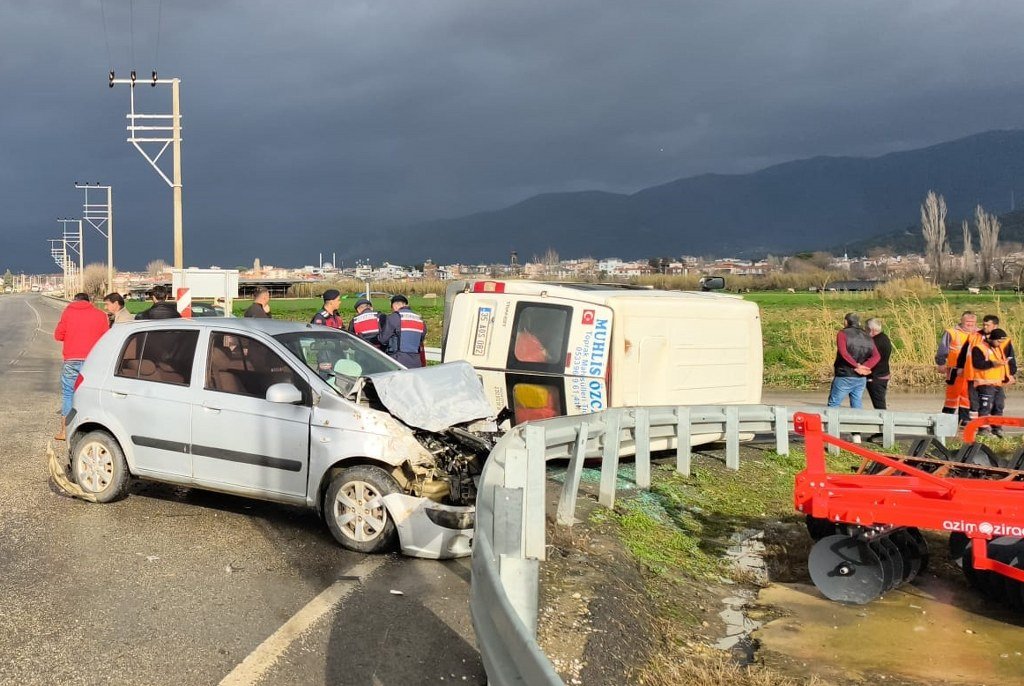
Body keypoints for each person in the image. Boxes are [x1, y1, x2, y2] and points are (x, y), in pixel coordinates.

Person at [53, 293, 110, 440]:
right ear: (89, 301)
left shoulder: (68, 312)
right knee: (93, 394)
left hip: (71, 359)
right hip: (93, 360)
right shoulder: (100, 315)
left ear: (75, 300)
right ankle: (92, 431)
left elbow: (58, 335)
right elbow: (107, 338)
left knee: (68, 394)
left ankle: (65, 432)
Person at [827, 313, 880, 420]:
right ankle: (857, 433)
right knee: (856, 404)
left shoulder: (842, 333)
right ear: (859, 322)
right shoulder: (867, 335)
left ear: (846, 322)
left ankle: (832, 433)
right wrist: (865, 367)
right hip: (860, 378)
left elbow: (844, 353)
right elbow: (876, 356)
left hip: (844, 374)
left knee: (834, 404)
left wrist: (856, 365)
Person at [935, 311, 977, 424]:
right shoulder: (952, 332)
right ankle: (946, 420)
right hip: (954, 369)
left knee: (967, 396)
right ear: (962, 321)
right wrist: (941, 363)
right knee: (952, 395)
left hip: (971, 371)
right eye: (968, 321)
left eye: (973, 322)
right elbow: (943, 349)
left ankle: (964, 420)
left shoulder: (978, 334)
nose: (970, 324)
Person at [967, 328, 1011, 433]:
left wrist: (1007, 376)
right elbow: (977, 364)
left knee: (999, 406)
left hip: (997, 384)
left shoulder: (998, 348)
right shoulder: (979, 348)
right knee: (985, 407)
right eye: (999, 341)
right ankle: (983, 429)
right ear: (992, 338)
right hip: (984, 383)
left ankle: (997, 428)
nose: (1000, 343)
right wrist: (993, 364)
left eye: (1002, 341)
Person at [379, 294, 426, 368]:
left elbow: (383, 339)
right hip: (416, 362)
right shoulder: (419, 319)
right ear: (406, 304)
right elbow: (421, 338)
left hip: (398, 361)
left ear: (394, 306)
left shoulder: (394, 317)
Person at [865, 318, 891, 410]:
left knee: (879, 406)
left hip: (876, 377)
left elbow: (870, 357)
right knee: (880, 402)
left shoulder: (875, 342)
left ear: (871, 330)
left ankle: (884, 422)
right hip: (883, 374)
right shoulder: (884, 337)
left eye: (865, 329)